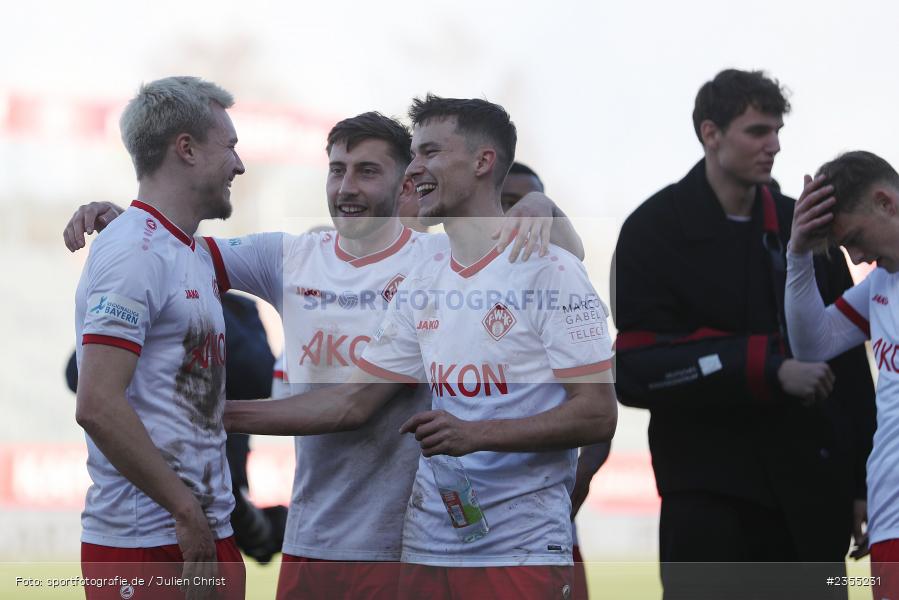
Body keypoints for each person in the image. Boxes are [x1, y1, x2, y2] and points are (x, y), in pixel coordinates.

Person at [65, 109, 584, 599]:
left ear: (405, 184)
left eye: (366, 172)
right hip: (309, 540)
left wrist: (545, 210)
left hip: (402, 544)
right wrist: (128, 221)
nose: (346, 188)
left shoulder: (437, 260)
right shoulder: (290, 257)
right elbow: (171, 248)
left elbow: (563, 259)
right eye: (336, 171)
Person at [224, 95, 618, 600]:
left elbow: (598, 417)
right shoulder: (422, 279)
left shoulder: (551, 268)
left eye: (430, 152)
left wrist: (477, 433)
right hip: (427, 545)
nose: (416, 169)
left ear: (482, 162)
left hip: (517, 548)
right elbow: (350, 403)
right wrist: (221, 414)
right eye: (414, 154)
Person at [613, 69, 876, 600]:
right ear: (710, 133)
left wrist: (859, 488)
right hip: (708, 503)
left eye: (778, 130)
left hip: (811, 506)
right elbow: (636, 372)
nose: (774, 145)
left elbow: (849, 368)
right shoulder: (652, 230)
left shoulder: (800, 223)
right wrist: (766, 367)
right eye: (757, 131)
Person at [72, 76, 246, 600]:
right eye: (231, 147)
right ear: (186, 149)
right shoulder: (133, 252)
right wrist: (184, 510)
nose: (239, 164)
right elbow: (97, 404)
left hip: (202, 530)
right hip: (147, 541)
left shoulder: (181, 248)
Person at [64, 291, 287, 565]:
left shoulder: (238, 308)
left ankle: (260, 529)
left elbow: (261, 378)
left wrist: (208, 308)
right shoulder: (150, 298)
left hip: (219, 480)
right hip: (146, 480)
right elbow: (78, 376)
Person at [785, 150, 899, 600]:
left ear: (885, 202)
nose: (856, 257)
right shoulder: (882, 284)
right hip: (890, 518)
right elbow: (813, 346)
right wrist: (798, 256)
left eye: (854, 237)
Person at [503, 160, 611, 600]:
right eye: (503, 203)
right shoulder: (446, 282)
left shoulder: (562, 286)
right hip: (449, 534)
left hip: (543, 528)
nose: (516, 215)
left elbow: (600, 416)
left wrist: (574, 487)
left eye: (524, 203)